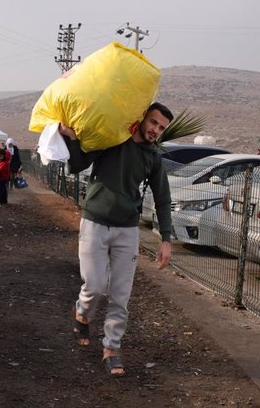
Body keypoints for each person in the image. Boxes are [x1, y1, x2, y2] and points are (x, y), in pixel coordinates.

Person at [58, 102, 174, 377]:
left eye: (161, 127)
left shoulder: (154, 158)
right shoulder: (113, 138)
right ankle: (82, 313)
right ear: (143, 117)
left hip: (127, 230)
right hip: (95, 223)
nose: (156, 130)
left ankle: (111, 348)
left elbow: (163, 199)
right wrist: (70, 136)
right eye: (154, 122)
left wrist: (166, 239)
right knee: (95, 285)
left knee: (120, 296)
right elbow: (77, 164)